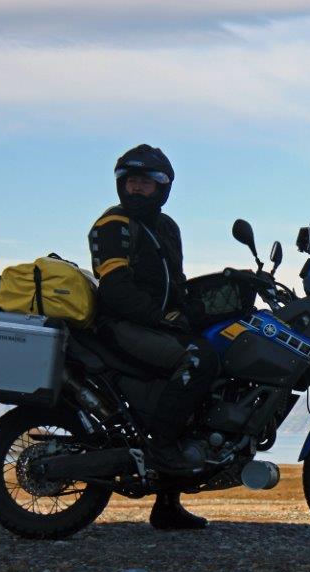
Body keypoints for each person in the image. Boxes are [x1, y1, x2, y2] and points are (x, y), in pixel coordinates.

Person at [88, 144, 219, 530]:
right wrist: (163, 319)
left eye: (146, 182)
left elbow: (175, 283)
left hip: (151, 325)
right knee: (198, 359)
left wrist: (199, 306)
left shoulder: (166, 227)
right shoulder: (113, 225)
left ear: (163, 186)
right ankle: (161, 449)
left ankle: (167, 505)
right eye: (132, 181)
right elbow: (115, 289)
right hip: (121, 326)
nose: (137, 188)